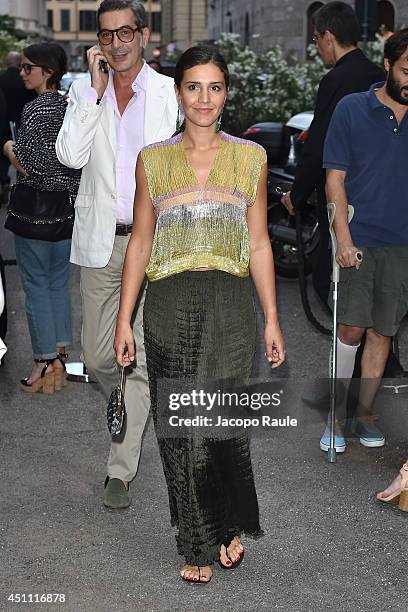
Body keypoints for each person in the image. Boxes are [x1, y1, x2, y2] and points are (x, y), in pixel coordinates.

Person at [114, 45, 285, 584]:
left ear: (226, 93)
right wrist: (124, 319)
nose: (203, 98)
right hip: (168, 300)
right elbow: (141, 243)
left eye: (214, 87)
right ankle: (195, 538)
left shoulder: (250, 158)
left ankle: (225, 521)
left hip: (231, 300)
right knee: (180, 423)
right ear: (178, 92)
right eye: (193, 87)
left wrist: (273, 317)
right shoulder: (153, 160)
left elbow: (259, 244)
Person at [56, 0, 178, 510]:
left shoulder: (169, 92)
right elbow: (69, 156)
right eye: (107, 36)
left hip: (153, 240)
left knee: (141, 359)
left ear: (143, 36)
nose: (117, 43)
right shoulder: (85, 92)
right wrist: (94, 93)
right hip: (102, 240)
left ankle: (120, 469)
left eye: (125, 32)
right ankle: (122, 400)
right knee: (100, 352)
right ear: (98, 45)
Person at [322, 29, 408, 457]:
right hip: (359, 238)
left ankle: (363, 412)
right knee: (352, 328)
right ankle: (336, 416)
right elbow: (334, 179)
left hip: (402, 246)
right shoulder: (352, 109)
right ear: (389, 65)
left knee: (382, 332)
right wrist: (343, 239)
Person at [281, 2, 384, 305]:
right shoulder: (378, 74)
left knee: (334, 288)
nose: (317, 48)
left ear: (328, 36)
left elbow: (319, 146)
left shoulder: (336, 80)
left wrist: (296, 195)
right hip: (378, 197)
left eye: (315, 40)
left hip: (343, 197)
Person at [2, 42, 81, 393]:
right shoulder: (72, 106)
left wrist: (7, 148)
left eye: (28, 67)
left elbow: (28, 164)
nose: (22, 72)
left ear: (47, 71)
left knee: (35, 286)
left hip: (35, 211)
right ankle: (60, 353)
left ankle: (44, 358)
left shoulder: (35, 110)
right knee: (58, 284)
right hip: (67, 210)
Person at [0, 51, 36, 202]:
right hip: (22, 123)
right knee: (23, 158)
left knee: (2, 158)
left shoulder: (1, 78)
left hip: (2, 124)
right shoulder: (25, 79)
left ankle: (3, 181)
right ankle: (21, 189)